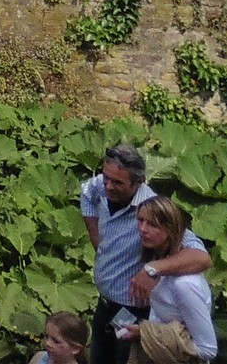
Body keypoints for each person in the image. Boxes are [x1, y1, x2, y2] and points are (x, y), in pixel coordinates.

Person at [81, 144, 213, 364]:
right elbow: (87, 191)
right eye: (106, 178)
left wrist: (152, 269)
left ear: (138, 182)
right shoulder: (101, 185)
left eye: (118, 183)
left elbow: (202, 257)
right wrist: (100, 245)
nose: (109, 186)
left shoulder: (152, 211)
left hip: (133, 312)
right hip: (104, 305)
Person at [116, 197, 218, 361]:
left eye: (152, 224)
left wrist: (145, 333)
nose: (143, 229)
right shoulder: (158, 260)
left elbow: (208, 349)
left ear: (170, 229)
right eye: (140, 220)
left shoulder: (185, 285)